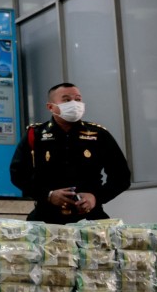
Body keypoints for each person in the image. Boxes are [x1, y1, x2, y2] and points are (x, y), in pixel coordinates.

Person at [9, 82, 131, 224]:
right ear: (50, 107)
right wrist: (48, 195)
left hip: (91, 219)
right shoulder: (35, 135)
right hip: (46, 218)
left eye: (78, 99)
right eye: (66, 100)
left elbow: (122, 176)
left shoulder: (98, 134)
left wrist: (95, 197)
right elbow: (18, 174)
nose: (74, 104)